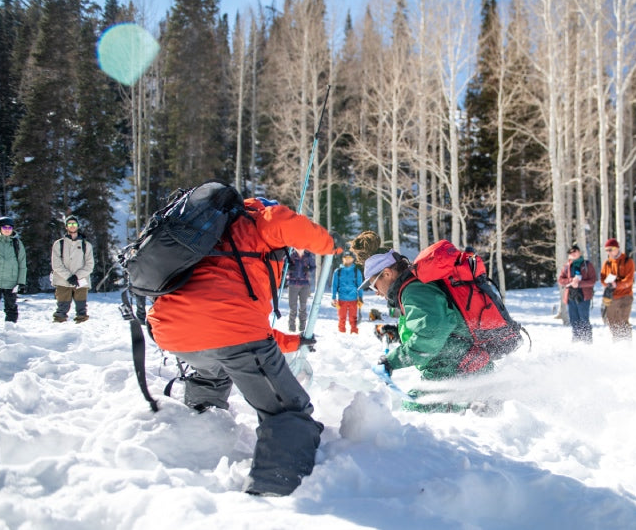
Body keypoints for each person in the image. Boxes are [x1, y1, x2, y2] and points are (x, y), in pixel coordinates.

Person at [146, 197, 335, 497]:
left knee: (214, 371)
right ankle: (273, 489)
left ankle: (197, 434)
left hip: (171, 331)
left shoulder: (203, 232)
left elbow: (230, 319)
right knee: (287, 408)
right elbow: (234, 325)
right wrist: (329, 245)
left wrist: (295, 341)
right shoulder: (258, 219)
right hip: (229, 328)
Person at [362, 249, 492, 412]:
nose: (376, 293)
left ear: (387, 273)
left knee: (413, 412)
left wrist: (391, 361)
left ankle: (477, 405)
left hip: (457, 368)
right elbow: (431, 323)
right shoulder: (412, 287)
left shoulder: (414, 290)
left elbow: (432, 333)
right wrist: (396, 333)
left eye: (374, 285)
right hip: (457, 364)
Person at [51, 215, 94, 323]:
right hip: (62, 281)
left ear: (78, 226)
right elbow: (56, 264)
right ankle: (58, 330)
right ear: (66, 226)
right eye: (69, 224)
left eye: (74, 223)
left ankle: (81, 329)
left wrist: (76, 276)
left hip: (81, 281)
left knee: (81, 310)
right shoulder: (59, 244)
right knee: (61, 309)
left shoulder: (86, 245)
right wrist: (69, 277)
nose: (72, 226)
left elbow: (89, 265)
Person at [557, 243, 597, 343]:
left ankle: (587, 341)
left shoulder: (587, 265)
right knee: (574, 320)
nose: (573, 254)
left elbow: (592, 281)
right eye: (570, 253)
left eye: (575, 251)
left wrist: (579, 284)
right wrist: (571, 281)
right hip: (571, 295)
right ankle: (576, 340)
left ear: (579, 252)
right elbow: (561, 280)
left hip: (583, 295)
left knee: (584, 319)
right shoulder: (567, 266)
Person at [600, 238, 635, 340]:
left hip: (625, 296)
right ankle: (617, 342)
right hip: (611, 297)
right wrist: (607, 284)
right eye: (606, 250)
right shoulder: (607, 263)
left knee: (622, 321)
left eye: (610, 249)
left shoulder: (628, 261)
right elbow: (602, 278)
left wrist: (617, 285)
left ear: (617, 248)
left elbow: (629, 280)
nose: (609, 252)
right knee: (612, 321)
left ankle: (627, 344)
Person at [331, 250, 364, 333]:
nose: (347, 260)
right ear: (343, 259)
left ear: (353, 259)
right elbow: (334, 286)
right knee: (341, 317)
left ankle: (354, 331)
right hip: (342, 299)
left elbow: (360, 286)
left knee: (353, 318)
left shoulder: (357, 272)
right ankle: (341, 332)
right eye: (346, 258)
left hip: (353, 299)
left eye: (349, 258)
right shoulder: (337, 272)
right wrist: (333, 297)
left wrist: (360, 298)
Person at [286, 248, 315, 333]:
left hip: (304, 284)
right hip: (293, 283)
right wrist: (289, 267)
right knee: (293, 307)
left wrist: (308, 269)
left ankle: (302, 327)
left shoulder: (308, 256)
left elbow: (313, 267)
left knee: (303, 306)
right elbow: (283, 266)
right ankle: (291, 327)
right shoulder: (291, 255)